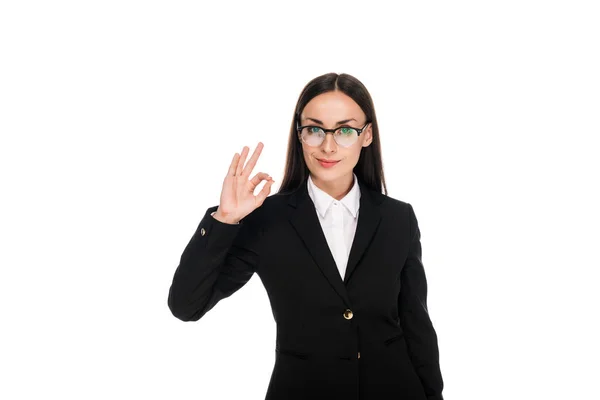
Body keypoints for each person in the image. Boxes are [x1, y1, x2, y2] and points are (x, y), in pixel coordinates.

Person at [167, 72, 444, 400]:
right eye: (314, 130)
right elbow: (186, 305)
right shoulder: (267, 220)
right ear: (299, 135)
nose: (328, 145)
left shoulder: (399, 218)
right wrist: (224, 219)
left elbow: (416, 326)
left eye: (344, 130)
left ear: (367, 135)